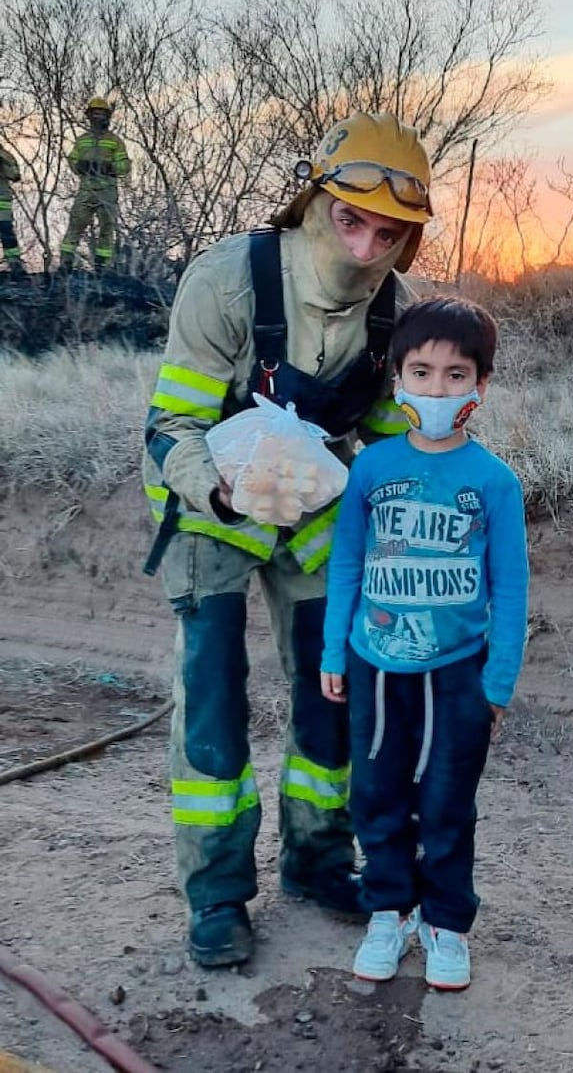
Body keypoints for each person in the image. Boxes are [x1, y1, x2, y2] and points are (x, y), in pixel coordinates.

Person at [142, 111, 433, 968]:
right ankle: (218, 893)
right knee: (212, 702)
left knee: (331, 692)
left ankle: (314, 860)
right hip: (211, 507)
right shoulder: (227, 281)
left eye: (389, 233)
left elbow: (385, 443)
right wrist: (224, 486)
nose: (364, 246)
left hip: (314, 517)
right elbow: (171, 424)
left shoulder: (397, 315)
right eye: (351, 220)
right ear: (314, 202)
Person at [321, 296, 529, 991]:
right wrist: (332, 652)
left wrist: (497, 682)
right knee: (375, 794)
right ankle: (389, 909)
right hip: (375, 665)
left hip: (457, 672)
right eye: (421, 371)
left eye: (454, 375)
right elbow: (346, 563)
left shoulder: (494, 483)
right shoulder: (371, 470)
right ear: (397, 378)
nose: (435, 389)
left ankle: (445, 922)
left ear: (479, 386)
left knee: (445, 802)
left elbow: (510, 589)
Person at [60, 96, 131, 273]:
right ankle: (65, 264)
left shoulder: (115, 141)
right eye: (95, 113)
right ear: (89, 116)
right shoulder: (82, 140)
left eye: (101, 113)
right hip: (86, 189)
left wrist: (108, 167)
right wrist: (79, 166)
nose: (98, 117)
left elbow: (125, 166)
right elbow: (72, 159)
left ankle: (102, 267)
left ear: (107, 116)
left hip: (107, 190)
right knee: (75, 224)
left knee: (107, 228)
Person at [0, 145, 26, 276]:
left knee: (6, 232)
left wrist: (3, 163)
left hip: (2, 201)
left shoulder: (5, 155)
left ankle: (15, 264)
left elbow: (15, 175)